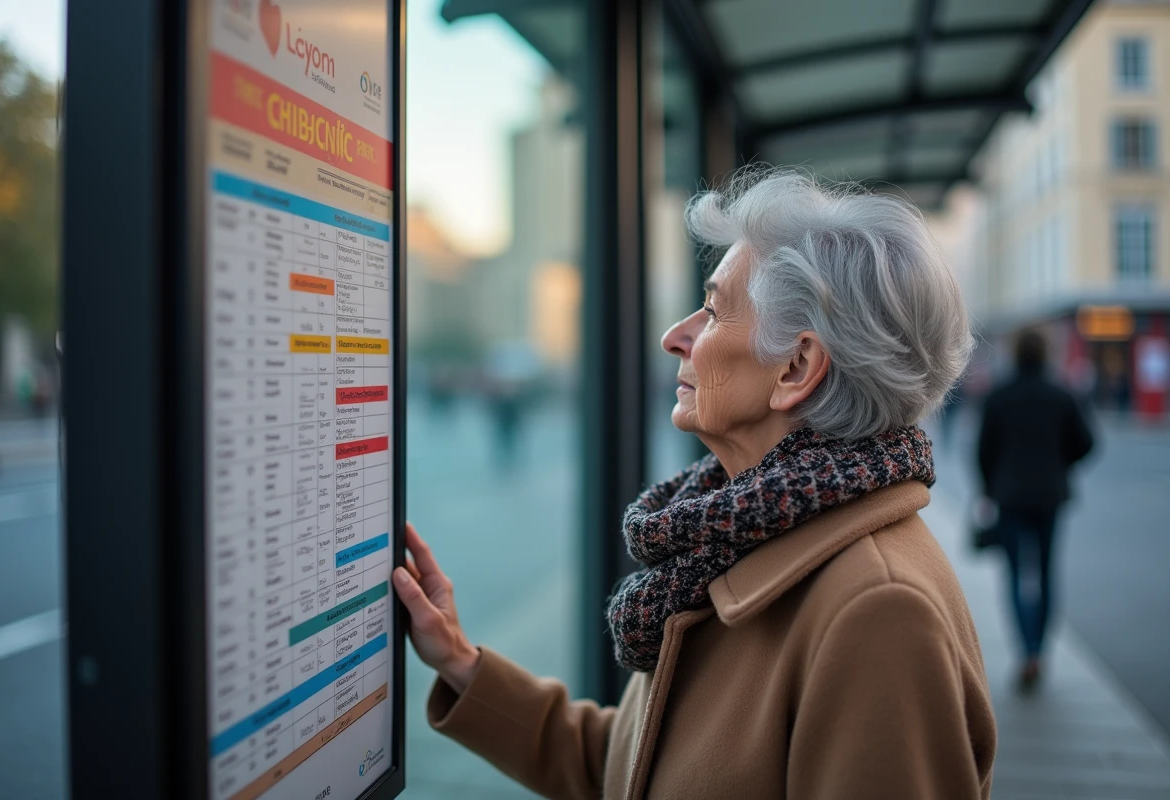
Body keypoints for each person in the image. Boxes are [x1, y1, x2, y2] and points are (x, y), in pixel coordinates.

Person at [394, 169, 997, 799]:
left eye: (712, 311)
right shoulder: (743, 533)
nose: (674, 337)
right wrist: (461, 664)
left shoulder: (879, 615)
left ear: (796, 368)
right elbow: (636, 769)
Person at [977, 328, 1094, 690]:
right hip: (1049, 496)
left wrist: (989, 488)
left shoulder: (999, 396)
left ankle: (1025, 650)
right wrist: (1060, 464)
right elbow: (1087, 443)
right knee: (1045, 571)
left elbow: (983, 451)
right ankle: (1039, 652)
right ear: (1046, 353)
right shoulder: (1062, 394)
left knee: (1015, 574)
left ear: (1015, 354)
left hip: (1010, 496)